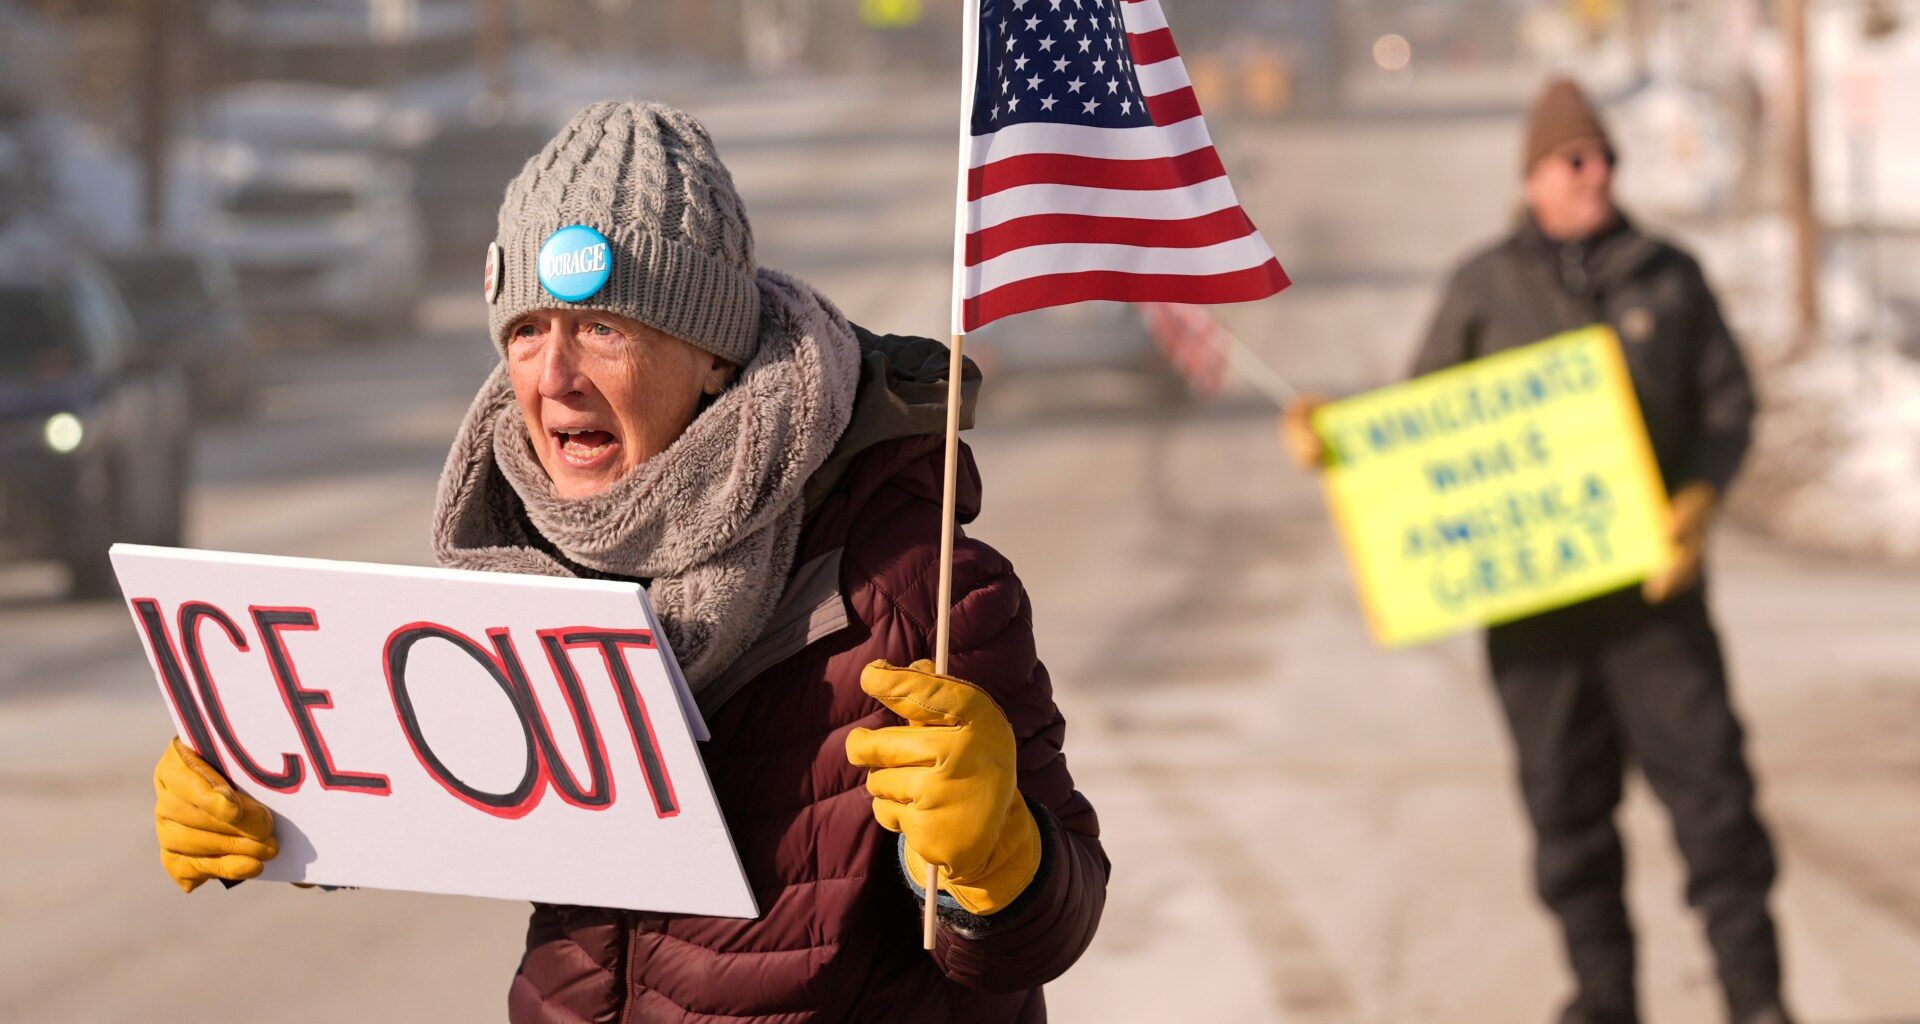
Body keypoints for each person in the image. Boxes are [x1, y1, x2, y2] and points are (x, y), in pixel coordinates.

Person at [148, 100, 1108, 1022]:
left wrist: (1001, 862)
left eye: (602, 328)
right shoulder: (524, 564)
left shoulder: (910, 589)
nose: (555, 376)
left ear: (715, 357)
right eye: (527, 331)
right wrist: (273, 796)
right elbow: (450, 791)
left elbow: (1045, 931)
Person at [1282, 79, 1788, 1024]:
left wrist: (1700, 499)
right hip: (1533, 614)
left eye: (1605, 157)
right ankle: (1604, 997)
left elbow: (1729, 406)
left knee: (1715, 802)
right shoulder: (1484, 286)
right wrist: (1338, 442)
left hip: (1655, 599)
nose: (1596, 173)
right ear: (1534, 178)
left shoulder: (1669, 276)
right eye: (1575, 158)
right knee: (1566, 815)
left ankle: (1755, 997)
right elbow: (1422, 429)